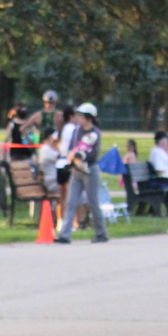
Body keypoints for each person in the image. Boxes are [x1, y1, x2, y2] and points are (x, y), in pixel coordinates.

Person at [54, 102, 108, 243]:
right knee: (71, 202)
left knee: (93, 202)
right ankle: (65, 235)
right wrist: (72, 156)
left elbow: (93, 154)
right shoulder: (77, 131)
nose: (78, 118)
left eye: (81, 116)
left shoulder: (95, 133)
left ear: (89, 118)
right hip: (76, 170)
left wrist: (80, 155)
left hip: (90, 170)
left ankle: (101, 233)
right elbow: (72, 147)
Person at [55, 104, 78, 223]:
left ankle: (60, 220)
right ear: (71, 116)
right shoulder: (73, 129)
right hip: (68, 164)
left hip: (59, 164)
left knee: (62, 196)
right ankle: (73, 221)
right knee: (71, 195)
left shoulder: (61, 129)